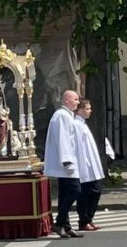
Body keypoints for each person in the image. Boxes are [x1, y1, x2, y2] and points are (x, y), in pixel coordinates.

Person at [44, 90, 83, 238]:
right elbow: (63, 139)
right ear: (66, 100)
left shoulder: (67, 116)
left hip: (68, 161)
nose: (77, 102)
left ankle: (65, 225)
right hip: (66, 163)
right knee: (75, 190)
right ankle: (60, 222)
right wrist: (67, 159)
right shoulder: (61, 116)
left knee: (65, 192)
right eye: (75, 99)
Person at [74, 98, 105, 232]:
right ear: (79, 110)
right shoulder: (76, 125)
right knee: (86, 193)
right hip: (84, 165)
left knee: (95, 190)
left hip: (91, 164)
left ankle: (89, 218)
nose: (90, 111)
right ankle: (84, 220)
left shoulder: (83, 124)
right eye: (87, 108)